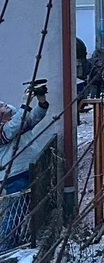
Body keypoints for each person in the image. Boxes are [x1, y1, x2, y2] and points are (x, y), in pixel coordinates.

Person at [0, 80, 50, 252]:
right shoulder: (4, 129)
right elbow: (12, 129)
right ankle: (5, 247)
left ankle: (20, 241)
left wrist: (41, 101)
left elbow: (35, 117)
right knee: (15, 212)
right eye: (1, 106)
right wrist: (25, 104)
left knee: (27, 209)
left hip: (29, 169)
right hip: (14, 175)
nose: (4, 105)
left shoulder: (17, 122)